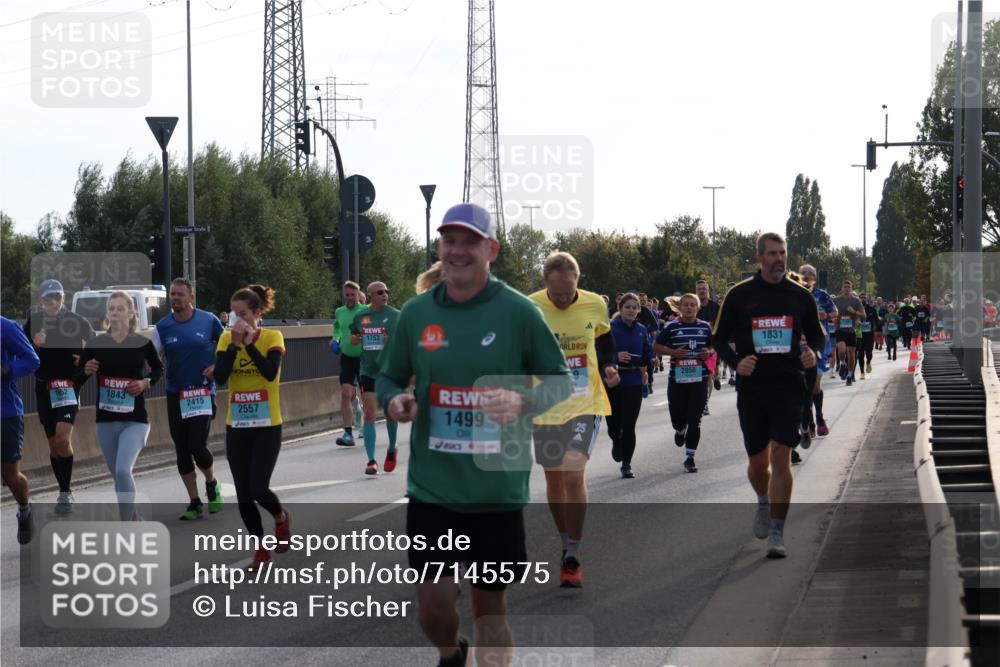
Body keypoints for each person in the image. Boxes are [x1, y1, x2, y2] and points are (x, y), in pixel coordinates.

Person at [376, 203, 573, 667]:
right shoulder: (418, 313)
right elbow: (389, 377)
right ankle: (451, 653)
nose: (458, 251)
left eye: (469, 241)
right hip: (433, 488)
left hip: (495, 489)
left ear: (491, 249)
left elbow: (561, 380)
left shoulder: (519, 312)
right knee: (433, 605)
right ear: (440, 248)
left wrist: (523, 401)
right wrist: (393, 400)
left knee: (489, 608)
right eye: (450, 241)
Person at [712, 233, 824, 559]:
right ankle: (763, 500)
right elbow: (718, 339)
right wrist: (735, 363)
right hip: (753, 388)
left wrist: (813, 354)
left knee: (781, 456)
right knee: (758, 463)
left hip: (789, 385)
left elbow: (817, 336)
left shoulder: (800, 296)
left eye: (783, 253)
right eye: (773, 254)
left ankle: (777, 530)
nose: (779, 259)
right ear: (759, 257)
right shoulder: (739, 295)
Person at [529, 251, 618, 588]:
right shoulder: (531, 306)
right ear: (545, 286)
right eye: (557, 294)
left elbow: (605, 338)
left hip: (585, 402)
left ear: (578, 283)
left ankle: (574, 554)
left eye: (569, 292)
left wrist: (609, 365)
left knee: (572, 472)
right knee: (553, 481)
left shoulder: (594, 304)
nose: (564, 299)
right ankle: (565, 539)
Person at [214, 284, 290, 571]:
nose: (237, 321)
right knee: (244, 494)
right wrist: (234, 345)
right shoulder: (225, 339)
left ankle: (280, 516)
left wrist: (247, 344)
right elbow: (220, 377)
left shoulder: (272, 337)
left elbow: (270, 373)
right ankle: (260, 547)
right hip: (237, 425)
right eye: (233, 314)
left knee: (259, 487)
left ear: (257, 313)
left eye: (243, 314)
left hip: (267, 424)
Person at [77, 292, 163, 521]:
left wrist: (146, 382)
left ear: (131, 312)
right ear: (107, 314)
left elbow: (158, 370)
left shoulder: (142, 343)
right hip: (105, 421)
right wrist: (85, 371)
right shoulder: (96, 343)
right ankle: (132, 516)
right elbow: (77, 378)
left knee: (124, 470)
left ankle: (126, 524)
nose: (115, 313)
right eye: (111, 309)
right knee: (118, 476)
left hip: (135, 420)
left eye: (120, 308)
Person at [152, 278, 225, 520]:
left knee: (197, 445)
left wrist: (216, 365)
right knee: (182, 450)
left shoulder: (209, 320)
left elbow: (227, 348)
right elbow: (152, 359)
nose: (175, 298)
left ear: (191, 297)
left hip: (203, 391)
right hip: (176, 393)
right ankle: (194, 502)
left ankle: (212, 482)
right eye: (172, 294)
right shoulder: (163, 327)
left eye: (180, 294)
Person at [23, 278, 95, 514]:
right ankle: (64, 491)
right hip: (44, 387)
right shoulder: (34, 321)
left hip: (67, 386)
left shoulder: (76, 321)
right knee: (54, 446)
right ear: (41, 300)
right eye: (48, 298)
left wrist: (83, 357)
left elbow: (96, 343)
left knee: (63, 438)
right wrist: (35, 344)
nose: (53, 302)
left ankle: (66, 493)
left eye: (57, 297)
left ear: (63, 298)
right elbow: (21, 352)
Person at [654, 293, 713, 473]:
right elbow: (656, 346)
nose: (689, 308)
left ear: (697, 308)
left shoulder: (705, 327)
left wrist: (708, 353)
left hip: (699, 380)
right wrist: (673, 353)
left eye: (692, 305)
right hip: (677, 381)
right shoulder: (671, 327)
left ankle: (690, 457)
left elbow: (712, 346)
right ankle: (680, 430)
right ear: (680, 308)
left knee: (695, 420)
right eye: (685, 305)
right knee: (678, 418)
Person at [348, 281, 401, 475]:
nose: (384, 294)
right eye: (380, 292)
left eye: (386, 291)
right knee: (370, 413)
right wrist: (355, 339)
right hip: (368, 370)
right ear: (370, 296)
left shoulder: (396, 316)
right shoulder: (361, 316)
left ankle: (392, 448)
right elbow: (353, 335)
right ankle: (371, 461)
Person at [2, 317, 41, 544]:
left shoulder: (6, 328)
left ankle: (25, 509)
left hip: (5, 412)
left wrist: (7, 370)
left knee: (9, 475)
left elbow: (32, 359)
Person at [607, 293, 652, 479]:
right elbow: (599, 352)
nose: (631, 310)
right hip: (613, 380)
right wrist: (616, 357)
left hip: (633, 379)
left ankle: (627, 464)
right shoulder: (609, 328)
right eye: (628, 307)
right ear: (620, 308)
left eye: (635, 307)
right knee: (613, 425)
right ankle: (616, 441)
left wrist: (648, 361)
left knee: (629, 424)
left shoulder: (642, 329)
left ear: (638, 310)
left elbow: (648, 351)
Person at [797, 264, 835, 438]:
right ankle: (810, 421)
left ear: (815, 278)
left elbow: (834, 312)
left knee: (815, 384)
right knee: (803, 387)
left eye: (810, 273)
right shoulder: (792, 294)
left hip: (818, 345)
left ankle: (818, 416)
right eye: (803, 273)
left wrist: (824, 315)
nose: (806, 276)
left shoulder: (822, 295)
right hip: (796, 346)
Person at [332, 281, 367, 447]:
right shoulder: (340, 311)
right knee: (346, 393)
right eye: (347, 295)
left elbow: (373, 330)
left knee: (366, 394)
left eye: (352, 295)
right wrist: (335, 340)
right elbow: (337, 327)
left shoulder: (366, 311)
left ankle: (367, 424)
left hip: (364, 358)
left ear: (358, 295)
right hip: (346, 357)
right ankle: (348, 433)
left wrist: (360, 338)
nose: (349, 298)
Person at [696, 280, 722, 411]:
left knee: (708, 375)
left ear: (708, 290)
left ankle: (705, 403)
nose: (702, 291)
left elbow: (721, 326)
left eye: (704, 289)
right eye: (699, 289)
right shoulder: (693, 306)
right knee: (697, 376)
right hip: (694, 345)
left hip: (711, 346)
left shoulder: (715, 307)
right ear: (696, 291)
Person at [833, 280, 863, 386]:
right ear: (842, 288)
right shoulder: (836, 300)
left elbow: (863, 315)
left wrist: (854, 312)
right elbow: (830, 312)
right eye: (845, 287)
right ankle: (842, 363)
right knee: (841, 350)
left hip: (851, 330)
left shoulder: (856, 301)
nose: (846, 289)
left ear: (851, 288)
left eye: (848, 287)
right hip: (840, 329)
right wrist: (833, 318)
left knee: (851, 355)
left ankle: (850, 375)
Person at [858, 293, 878, 378]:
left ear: (867, 299)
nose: (863, 299)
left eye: (864, 298)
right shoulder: (856, 309)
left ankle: (868, 362)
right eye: (861, 298)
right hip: (859, 334)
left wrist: (875, 329)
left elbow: (877, 321)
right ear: (858, 299)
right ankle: (862, 372)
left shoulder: (872, 309)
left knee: (869, 352)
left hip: (869, 334)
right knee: (860, 354)